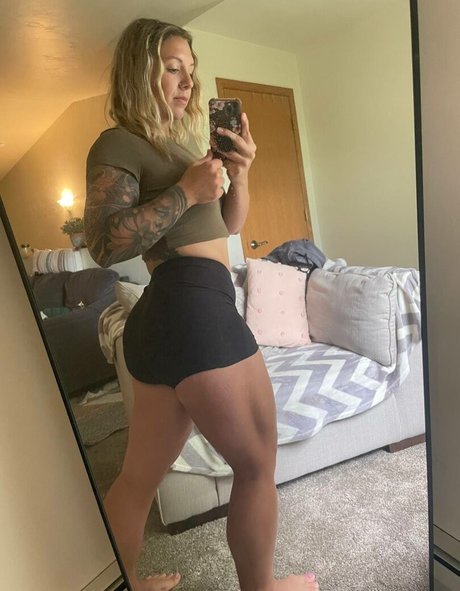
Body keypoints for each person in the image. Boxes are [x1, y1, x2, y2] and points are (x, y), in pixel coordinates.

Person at [84, 18, 320, 591]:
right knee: (256, 463)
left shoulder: (185, 148)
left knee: (138, 478)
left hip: (168, 319)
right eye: (172, 68)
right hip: (192, 307)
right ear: (140, 72)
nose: (187, 82)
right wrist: (186, 190)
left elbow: (228, 226)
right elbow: (104, 244)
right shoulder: (120, 142)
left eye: (190, 70)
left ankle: (126, 583)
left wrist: (239, 173)